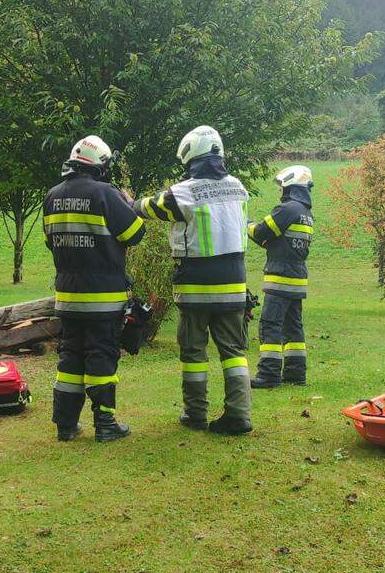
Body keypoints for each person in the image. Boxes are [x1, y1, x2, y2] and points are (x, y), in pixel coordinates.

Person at [134, 126, 253, 435]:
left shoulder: (183, 192)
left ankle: (195, 413)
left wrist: (129, 201)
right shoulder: (239, 187)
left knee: (194, 353)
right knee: (234, 353)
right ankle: (239, 415)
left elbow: (150, 207)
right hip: (234, 285)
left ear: (190, 156)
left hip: (196, 287)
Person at [44, 135, 146, 442]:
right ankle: (105, 424)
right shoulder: (105, 193)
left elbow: (51, 242)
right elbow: (135, 234)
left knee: (70, 359)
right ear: (100, 165)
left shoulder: (52, 196)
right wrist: (129, 204)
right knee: (101, 356)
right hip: (103, 298)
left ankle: (65, 425)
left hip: (67, 296)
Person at [248, 165, 314, 388]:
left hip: (280, 278)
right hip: (297, 278)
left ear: (290, 186)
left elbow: (260, 232)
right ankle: (296, 375)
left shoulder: (288, 209)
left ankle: (268, 375)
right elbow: (278, 239)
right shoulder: (305, 212)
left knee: (270, 325)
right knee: (293, 327)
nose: (280, 192)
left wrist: (244, 224)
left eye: (282, 187)